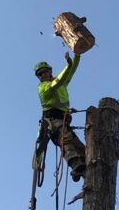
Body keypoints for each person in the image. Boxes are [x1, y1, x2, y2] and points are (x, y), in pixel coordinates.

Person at [34, 52, 86, 182]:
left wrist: (77, 56)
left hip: (63, 120)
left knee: (80, 147)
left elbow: (71, 72)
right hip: (53, 122)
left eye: (44, 72)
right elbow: (56, 82)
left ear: (50, 71)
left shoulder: (61, 83)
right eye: (39, 74)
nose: (42, 75)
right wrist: (68, 65)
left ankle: (84, 167)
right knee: (65, 140)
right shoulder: (43, 87)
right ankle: (75, 164)